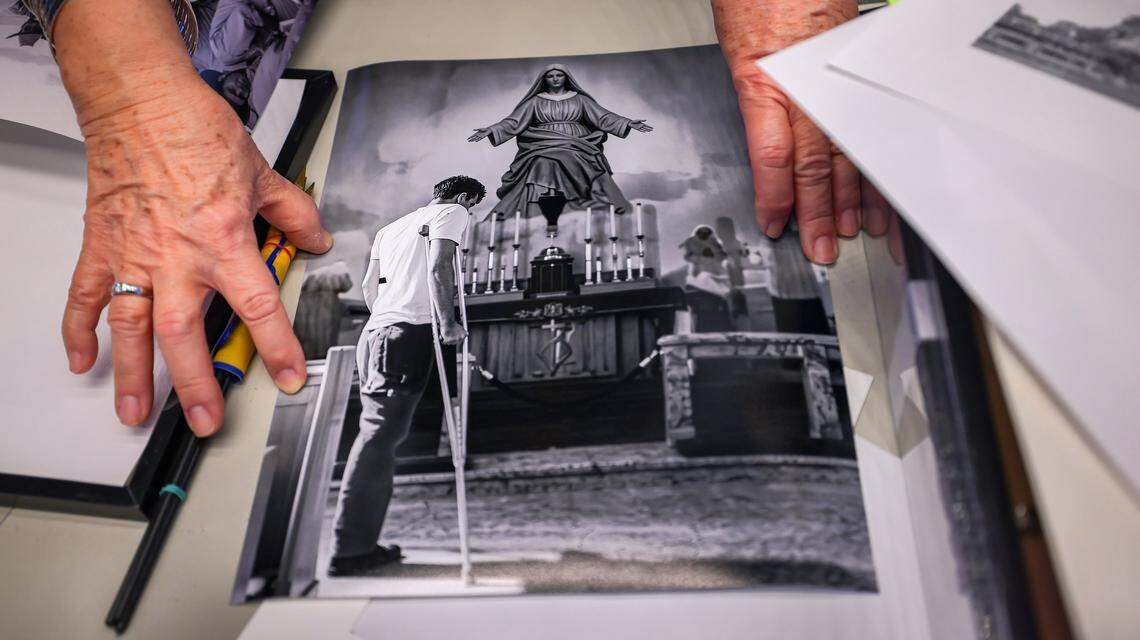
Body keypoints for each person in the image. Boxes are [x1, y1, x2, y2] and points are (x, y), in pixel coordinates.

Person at [30, 0, 863, 435]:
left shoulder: (566, 133)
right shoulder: (452, 216)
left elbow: (601, 128)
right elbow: (494, 158)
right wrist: (133, 101)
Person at [328, 176, 484, 576]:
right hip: (406, 334)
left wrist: (387, 317)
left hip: (378, 333)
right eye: (474, 206)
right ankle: (350, 549)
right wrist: (447, 323)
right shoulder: (452, 212)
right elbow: (439, 265)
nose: (472, 214)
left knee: (382, 434)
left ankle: (358, 543)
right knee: (379, 436)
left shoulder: (390, 228)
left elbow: (369, 286)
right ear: (465, 197)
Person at [467, 63, 652, 220]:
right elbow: (514, 121)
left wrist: (626, 122)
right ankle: (542, 208)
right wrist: (492, 129)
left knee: (576, 157)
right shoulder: (535, 102)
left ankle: (585, 201)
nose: (555, 79)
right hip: (542, 142)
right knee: (541, 162)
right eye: (551, 76)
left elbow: (602, 117)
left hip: (578, 142)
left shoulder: (580, 100)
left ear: (566, 77)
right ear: (544, 79)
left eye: (559, 75)